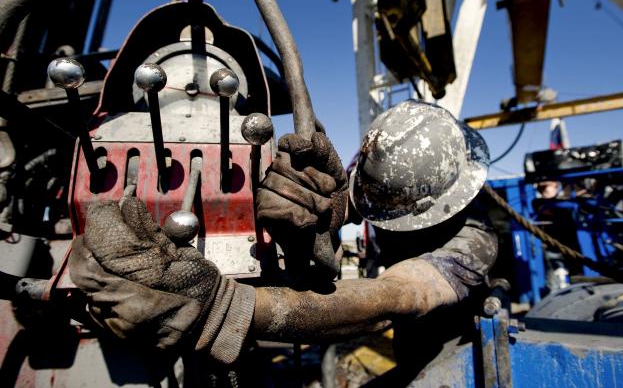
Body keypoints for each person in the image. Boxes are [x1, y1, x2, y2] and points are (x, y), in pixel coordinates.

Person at [70, 100, 497, 369]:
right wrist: (323, 214)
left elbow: (396, 298)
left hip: (452, 348)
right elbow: (340, 203)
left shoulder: (475, 241)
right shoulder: (390, 182)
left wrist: (229, 307)